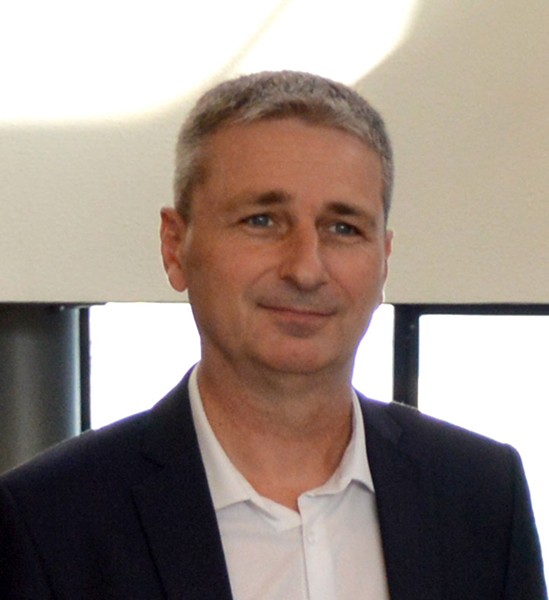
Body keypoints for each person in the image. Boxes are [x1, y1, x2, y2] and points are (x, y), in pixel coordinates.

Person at [0, 71, 546, 600]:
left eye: (343, 228)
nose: (305, 269)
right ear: (175, 246)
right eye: (262, 220)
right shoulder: (48, 521)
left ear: (383, 260)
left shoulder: (481, 496)